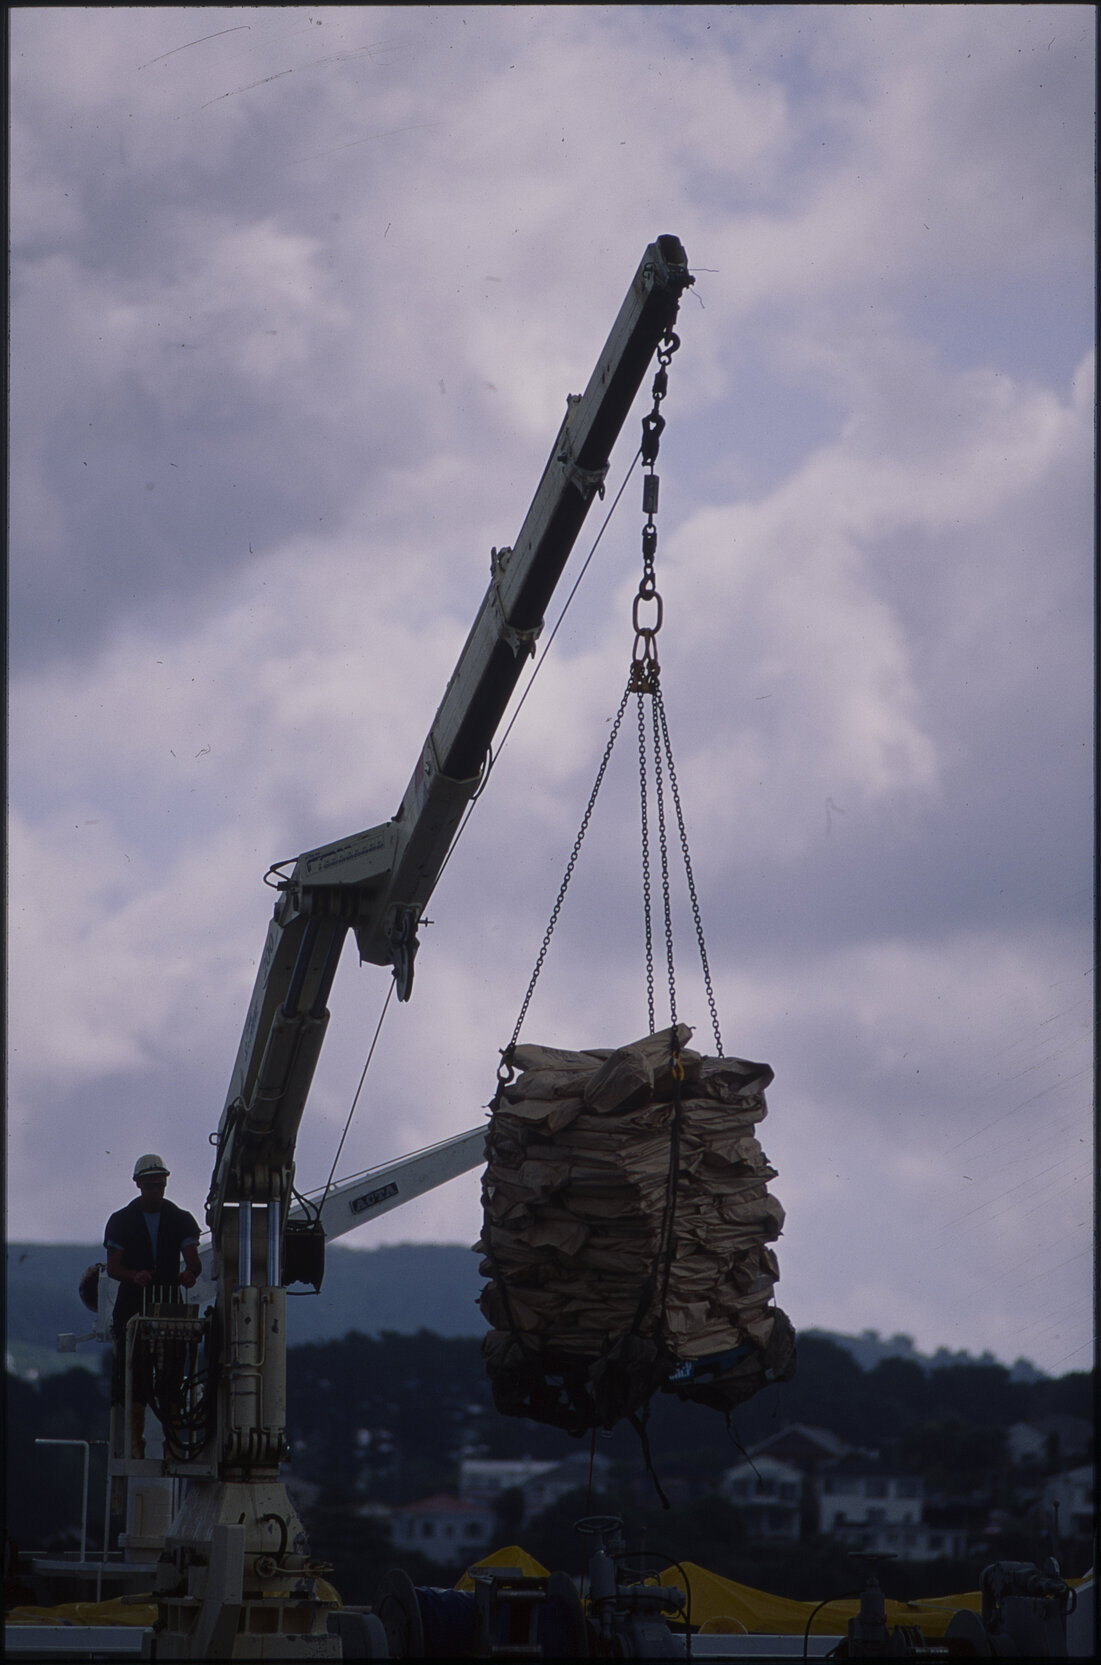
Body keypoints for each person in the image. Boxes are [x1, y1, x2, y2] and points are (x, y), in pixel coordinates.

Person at [104, 1154, 202, 1457]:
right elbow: (113, 1267)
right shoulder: (121, 1221)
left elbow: (193, 1260)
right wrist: (135, 1276)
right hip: (136, 1305)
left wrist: (189, 1273)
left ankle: (171, 1442)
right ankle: (137, 1442)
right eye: (150, 1186)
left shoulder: (181, 1218)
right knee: (134, 1373)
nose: (156, 1191)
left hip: (166, 1304)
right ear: (138, 1185)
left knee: (172, 1371)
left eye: (159, 1185)